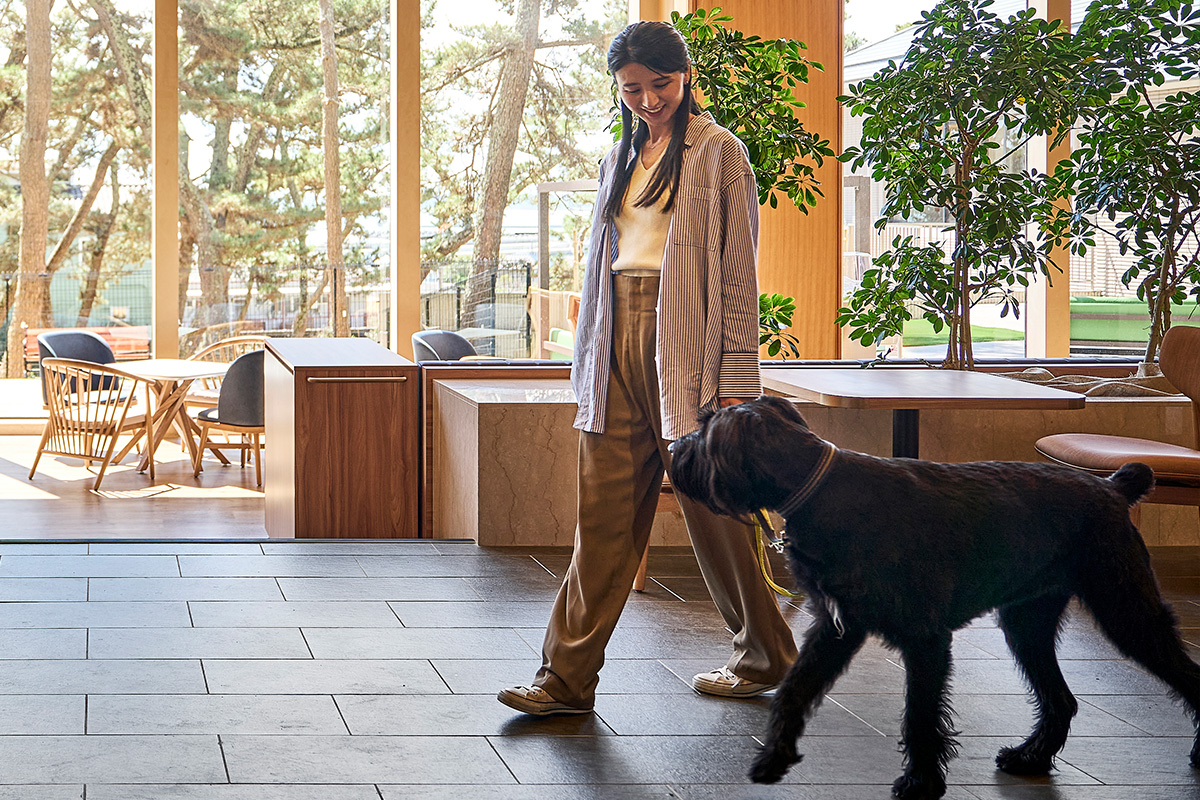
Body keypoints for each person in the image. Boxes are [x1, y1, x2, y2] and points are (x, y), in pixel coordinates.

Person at [497, 20, 798, 716]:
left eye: (660, 84)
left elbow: (737, 277)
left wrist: (732, 389)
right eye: (633, 89)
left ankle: (764, 652)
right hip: (615, 349)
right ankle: (564, 680)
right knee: (602, 517)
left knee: (717, 511)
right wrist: (588, 361)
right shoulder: (618, 159)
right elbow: (606, 268)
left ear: (684, 76)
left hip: (687, 350)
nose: (648, 99)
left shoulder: (721, 154)